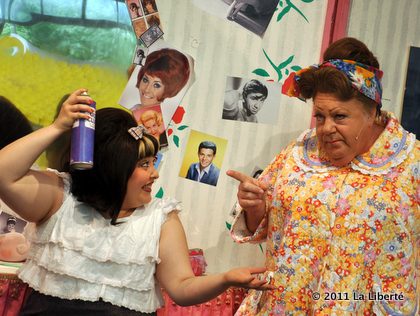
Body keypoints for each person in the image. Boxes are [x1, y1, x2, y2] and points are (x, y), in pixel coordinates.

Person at [0, 89, 272, 315]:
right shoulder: (60, 197)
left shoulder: (161, 219)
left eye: (153, 163)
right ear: (112, 168)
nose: (154, 173)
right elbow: (4, 173)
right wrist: (58, 127)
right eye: (143, 164)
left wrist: (226, 279)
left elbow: (182, 286)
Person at [227, 37, 419, 315]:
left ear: (372, 112)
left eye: (340, 116)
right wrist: (255, 208)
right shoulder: (298, 153)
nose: (326, 128)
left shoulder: (411, 164)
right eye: (320, 116)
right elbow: (263, 226)